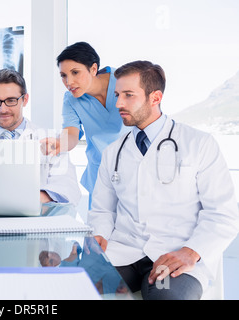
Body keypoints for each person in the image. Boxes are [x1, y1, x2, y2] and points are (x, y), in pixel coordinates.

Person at [88, 60, 239, 300]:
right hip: (122, 253)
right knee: (69, 286)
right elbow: (102, 210)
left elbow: (223, 213)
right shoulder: (113, 152)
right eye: (117, 94)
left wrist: (191, 252)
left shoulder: (198, 144)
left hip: (175, 254)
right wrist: (99, 237)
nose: (118, 103)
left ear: (155, 97)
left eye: (128, 95)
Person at [41, 42, 127, 208]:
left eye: (75, 73)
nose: (69, 81)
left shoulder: (124, 81)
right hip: (100, 175)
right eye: (63, 75)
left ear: (93, 69)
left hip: (134, 171)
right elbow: (71, 134)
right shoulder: (71, 100)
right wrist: (60, 143)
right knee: (98, 231)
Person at [0, 69, 81, 206]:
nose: (3, 109)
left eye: (11, 101)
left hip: (35, 220)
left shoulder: (50, 139)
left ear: (25, 100)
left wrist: (26, 199)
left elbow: (68, 187)